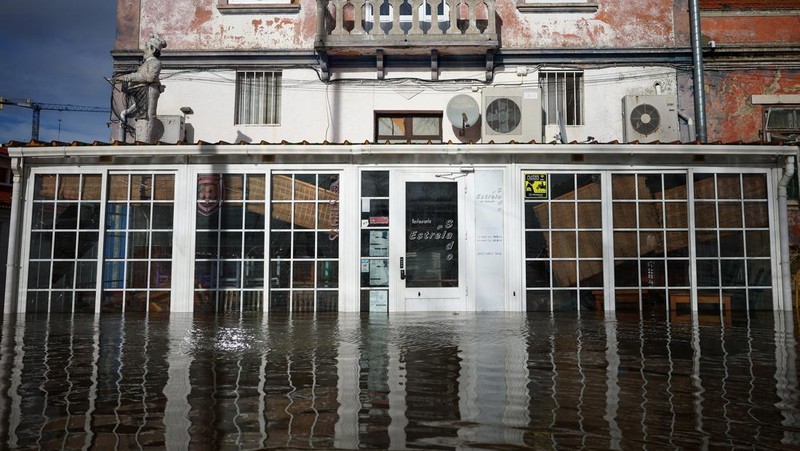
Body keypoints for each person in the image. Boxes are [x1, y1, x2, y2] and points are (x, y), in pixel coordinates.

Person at [114, 33, 167, 143]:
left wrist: (127, 77)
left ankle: (144, 142)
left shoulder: (155, 62)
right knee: (142, 118)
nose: (144, 50)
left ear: (153, 49)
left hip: (148, 92)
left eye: (146, 47)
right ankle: (141, 141)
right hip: (142, 93)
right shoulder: (146, 64)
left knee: (146, 118)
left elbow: (150, 77)